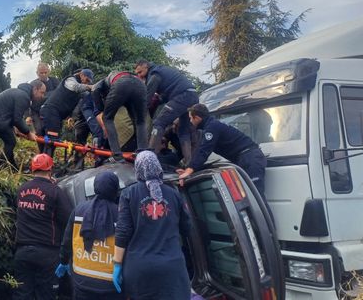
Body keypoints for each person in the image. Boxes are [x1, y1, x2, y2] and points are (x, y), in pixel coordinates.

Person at [113, 150, 191, 299]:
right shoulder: (174, 194)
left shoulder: (128, 194)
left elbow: (122, 231)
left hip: (140, 269)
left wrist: (117, 264)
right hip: (172, 268)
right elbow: (187, 228)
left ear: (138, 169)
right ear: (158, 167)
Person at [57, 171, 124, 300]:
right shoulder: (121, 213)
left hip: (82, 280)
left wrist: (63, 261)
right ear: (115, 188)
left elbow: (67, 240)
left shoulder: (79, 210)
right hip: (110, 284)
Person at [14, 154, 72, 300]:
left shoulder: (21, 190)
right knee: (46, 295)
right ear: (50, 169)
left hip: (22, 252)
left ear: (32, 169)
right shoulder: (55, 192)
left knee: (22, 294)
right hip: (47, 254)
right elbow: (69, 220)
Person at [177, 103, 268, 197]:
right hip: (245, 158)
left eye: (191, 118)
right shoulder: (210, 127)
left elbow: (204, 151)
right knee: (248, 196)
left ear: (197, 118)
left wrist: (189, 170)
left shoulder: (212, 127)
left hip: (250, 158)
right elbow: (200, 150)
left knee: (255, 196)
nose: (191, 122)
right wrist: (188, 169)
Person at [135, 59, 199, 164]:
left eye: (140, 72)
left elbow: (147, 97)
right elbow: (166, 94)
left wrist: (139, 113)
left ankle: (148, 160)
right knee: (183, 131)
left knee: (159, 123)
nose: (139, 75)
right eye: (137, 73)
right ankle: (189, 163)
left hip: (183, 96)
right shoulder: (161, 70)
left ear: (146, 67)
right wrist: (159, 100)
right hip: (190, 95)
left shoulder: (154, 73)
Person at [0, 81, 46, 171]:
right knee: (11, 142)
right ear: (35, 89)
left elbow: (14, 116)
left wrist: (16, 128)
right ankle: (2, 168)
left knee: (9, 141)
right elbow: (17, 119)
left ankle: (12, 167)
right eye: (42, 92)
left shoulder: (20, 93)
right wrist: (28, 133)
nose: (42, 96)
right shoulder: (24, 97)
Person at [92, 70, 148, 162]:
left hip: (122, 84)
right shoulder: (122, 76)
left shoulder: (104, 81)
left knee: (107, 118)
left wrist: (101, 109)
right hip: (140, 85)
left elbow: (94, 89)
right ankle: (143, 153)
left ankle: (117, 155)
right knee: (140, 121)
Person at [40, 69, 93, 155]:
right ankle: (45, 162)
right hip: (51, 111)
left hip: (56, 114)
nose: (86, 83)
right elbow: (76, 87)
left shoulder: (79, 91)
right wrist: (91, 87)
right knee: (52, 138)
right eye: (86, 80)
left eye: (88, 82)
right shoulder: (70, 80)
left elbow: (72, 103)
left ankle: (45, 159)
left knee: (50, 138)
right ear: (81, 75)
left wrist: (70, 117)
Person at [28, 63, 61, 151]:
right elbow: (27, 100)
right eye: (41, 73)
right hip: (36, 112)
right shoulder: (33, 84)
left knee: (51, 133)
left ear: (49, 71)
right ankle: (41, 152)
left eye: (45, 72)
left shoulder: (55, 82)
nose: (43, 75)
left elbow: (60, 95)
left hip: (51, 112)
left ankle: (48, 154)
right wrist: (27, 115)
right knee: (39, 131)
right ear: (37, 73)